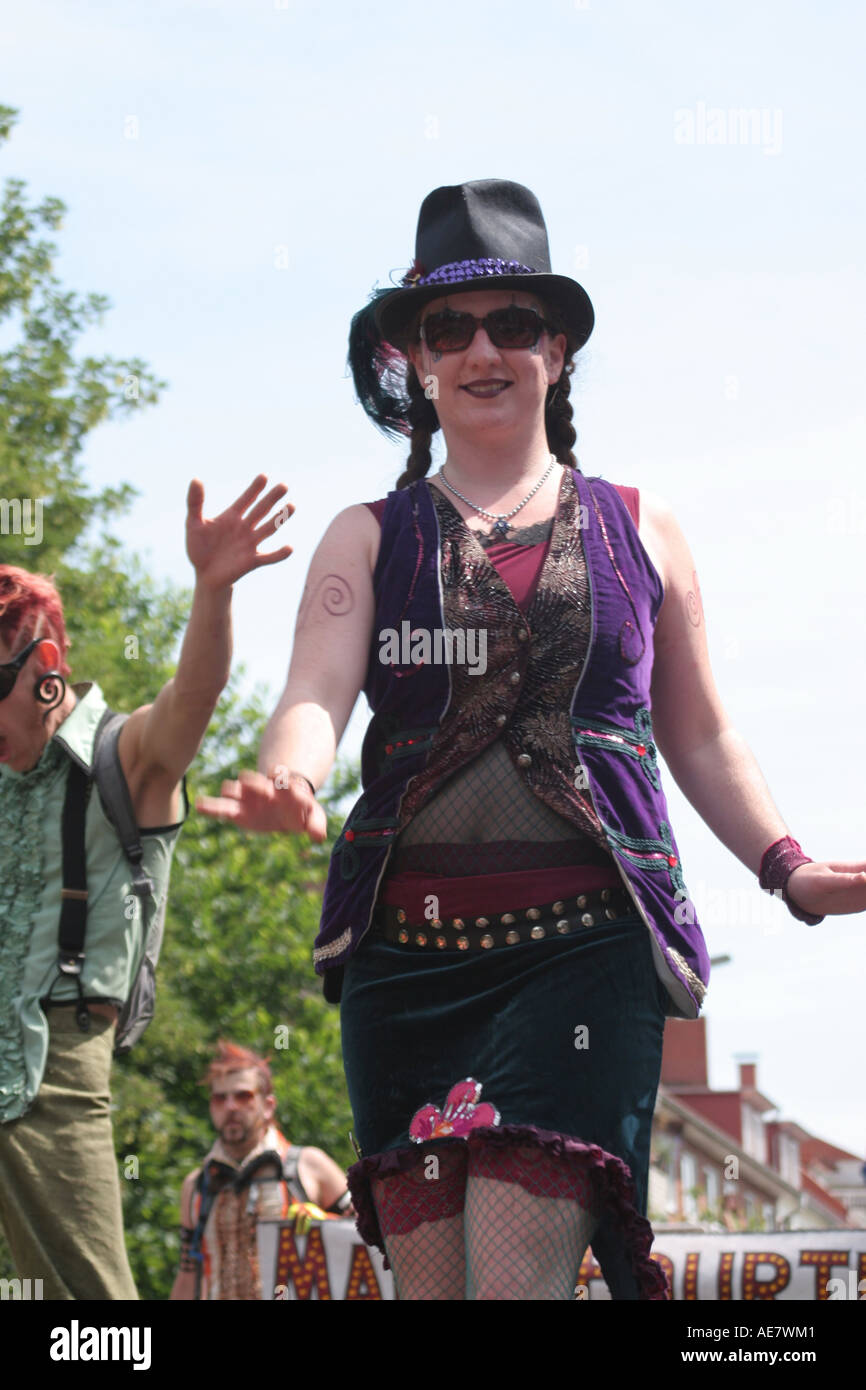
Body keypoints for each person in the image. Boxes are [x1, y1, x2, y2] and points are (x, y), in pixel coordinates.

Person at [197, 180, 866, 1301]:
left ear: (556, 347)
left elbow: (698, 735)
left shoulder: (641, 529)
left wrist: (788, 870)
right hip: (406, 965)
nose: (480, 351)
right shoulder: (365, 538)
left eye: (511, 323)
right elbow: (313, 691)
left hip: (582, 949)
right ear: (412, 359)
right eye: (446, 329)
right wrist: (287, 778)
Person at [0, 475, 293, 1300]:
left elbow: (192, 700)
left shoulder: (123, 759)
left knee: (91, 1316)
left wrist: (212, 589)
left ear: (45, 667)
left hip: (50, 1066)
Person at [170, 1040, 351, 1300]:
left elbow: (370, 1240)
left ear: (268, 1106)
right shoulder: (197, 1185)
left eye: (243, 1096)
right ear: (211, 1107)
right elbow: (188, 1274)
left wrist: (327, 1224)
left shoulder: (308, 1166)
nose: (231, 1106)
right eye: (221, 1098)